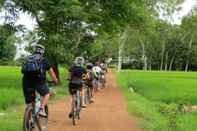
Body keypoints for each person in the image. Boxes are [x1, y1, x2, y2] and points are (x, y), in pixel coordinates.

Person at [22, 44, 58, 117]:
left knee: (29, 102)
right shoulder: (44, 60)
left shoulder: (28, 58)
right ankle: (41, 109)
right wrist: (55, 80)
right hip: (38, 81)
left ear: (34, 50)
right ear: (42, 52)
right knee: (46, 93)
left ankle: (28, 118)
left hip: (26, 82)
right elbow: (51, 72)